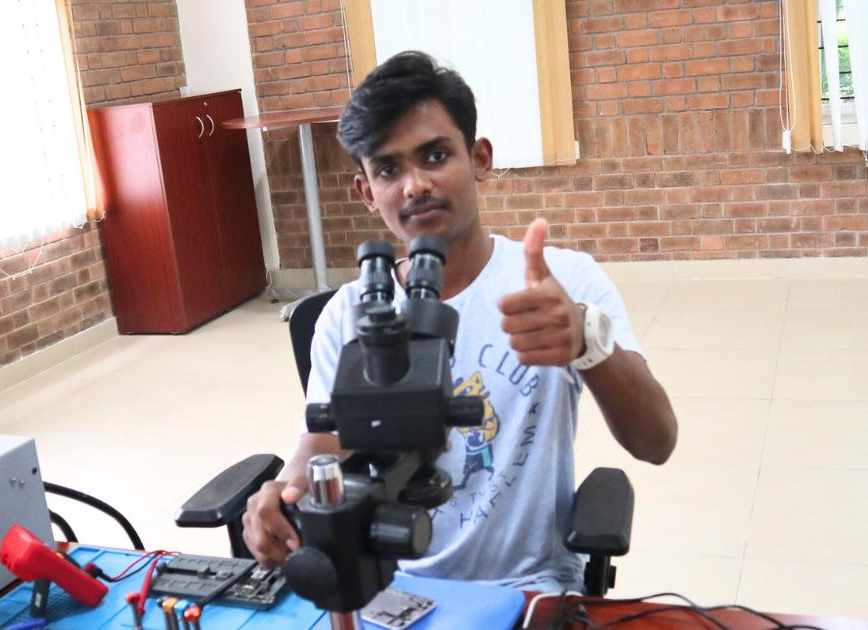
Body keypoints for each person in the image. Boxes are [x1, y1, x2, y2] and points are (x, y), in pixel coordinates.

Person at [242, 51, 678, 592]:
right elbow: (324, 442)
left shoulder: (563, 282)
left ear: (479, 159)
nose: (415, 185)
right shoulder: (346, 315)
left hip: (527, 589)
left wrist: (588, 342)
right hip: (390, 589)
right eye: (388, 169)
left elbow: (656, 441)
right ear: (366, 192)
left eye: (435, 155)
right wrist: (284, 492)